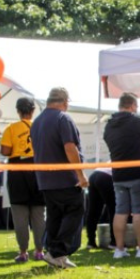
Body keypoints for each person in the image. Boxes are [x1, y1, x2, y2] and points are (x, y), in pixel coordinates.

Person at [31, 87, 88, 269]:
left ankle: (54, 254)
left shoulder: (37, 122)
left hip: (45, 179)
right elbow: (70, 147)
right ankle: (57, 251)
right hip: (65, 178)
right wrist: (80, 174)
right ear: (65, 102)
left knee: (55, 216)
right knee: (75, 210)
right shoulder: (63, 118)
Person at [103, 92, 140, 258]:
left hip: (118, 175)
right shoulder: (139, 123)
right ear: (133, 106)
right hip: (137, 173)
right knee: (139, 212)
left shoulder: (109, 125)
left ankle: (119, 249)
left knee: (120, 212)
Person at [0, 97, 46, 263]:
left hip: (18, 171)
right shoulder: (40, 127)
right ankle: (40, 250)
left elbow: (5, 151)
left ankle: (23, 252)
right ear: (33, 111)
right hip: (37, 171)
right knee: (39, 214)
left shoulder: (11, 128)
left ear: (18, 111)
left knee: (20, 214)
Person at [85, 168, 115, 249]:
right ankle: (114, 241)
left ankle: (91, 242)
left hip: (94, 174)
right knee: (113, 210)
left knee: (93, 210)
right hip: (107, 177)